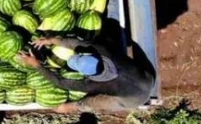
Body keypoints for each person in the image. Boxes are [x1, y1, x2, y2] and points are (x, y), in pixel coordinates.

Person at [16, 36, 156, 112]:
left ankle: (69, 108)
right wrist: (51, 40)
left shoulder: (92, 85)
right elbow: (76, 43)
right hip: (147, 78)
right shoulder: (103, 50)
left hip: (133, 99)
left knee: (93, 102)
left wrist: (35, 65)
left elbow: (59, 82)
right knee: (129, 54)